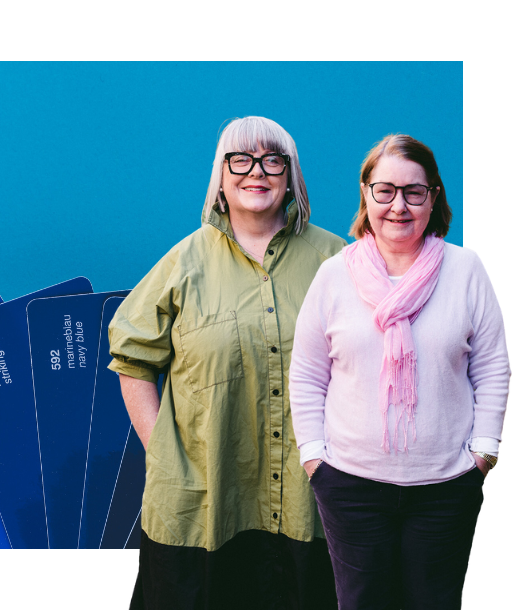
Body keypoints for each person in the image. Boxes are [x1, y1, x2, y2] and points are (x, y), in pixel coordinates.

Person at [108, 116, 345, 609]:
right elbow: (131, 358)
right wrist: (163, 451)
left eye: (271, 159)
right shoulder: (185, 262)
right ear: (221, 173)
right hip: (203, 504)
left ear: (290, 174)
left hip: (309, 503)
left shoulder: (336, 259)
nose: (255, 171)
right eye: (240, 159)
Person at [290, 134, 510, 610]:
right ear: (366, 193)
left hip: (446, 487)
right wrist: (314, 459)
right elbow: (307, 373)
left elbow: (492, 367)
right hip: (350, 484)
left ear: (434, 198)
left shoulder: (465, 269)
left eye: (415, 192)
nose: (399, 206)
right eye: (385, 190)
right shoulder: (333, 275)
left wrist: (484, 453)